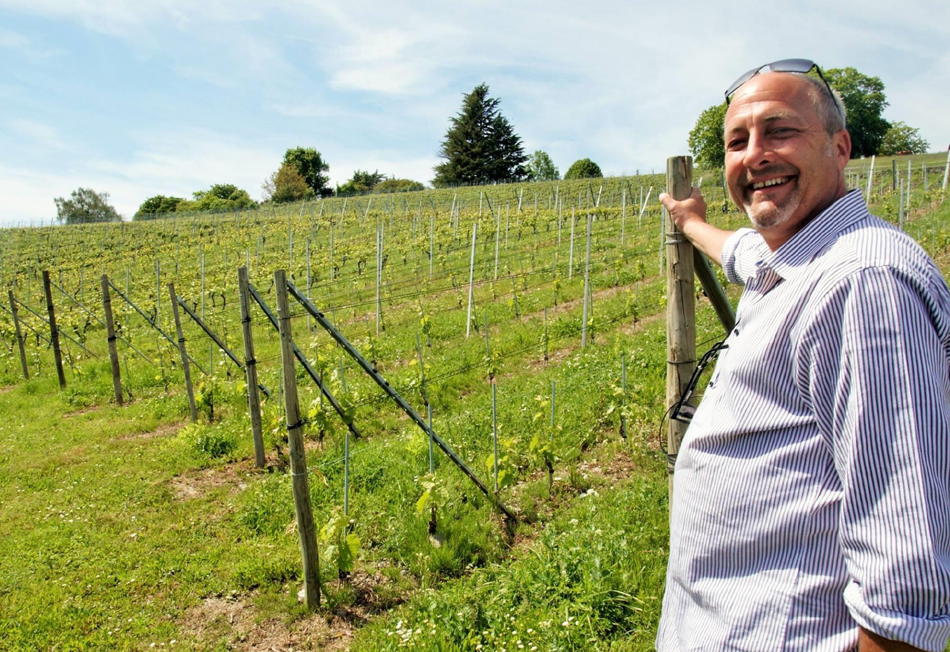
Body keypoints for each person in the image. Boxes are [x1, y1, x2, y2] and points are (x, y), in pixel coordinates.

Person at [655, 60, 950, 652]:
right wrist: (692, 225)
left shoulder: (863, 283)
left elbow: (905, 585)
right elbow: (740, 252)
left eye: (779, 130)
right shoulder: (790, 260)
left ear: (840, 148)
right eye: (737, 141)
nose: (755, 154)